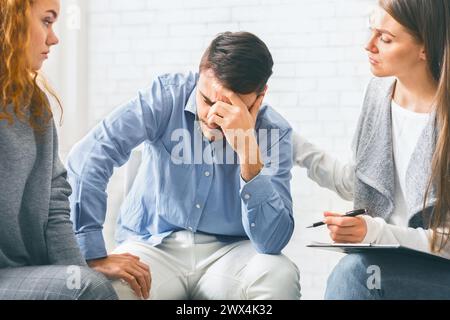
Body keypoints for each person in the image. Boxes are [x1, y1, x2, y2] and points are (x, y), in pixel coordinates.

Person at [67, 32, 301, 300]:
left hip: (232, 253)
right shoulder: (167, 96)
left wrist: (248, 152)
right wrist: (91, 252)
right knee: (110, 288)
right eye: (207, 100)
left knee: (279, 274)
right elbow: (88, 155)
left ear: (259, 98)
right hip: (153, 246)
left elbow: (271, 243)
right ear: (200, 75)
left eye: (232, 109)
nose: (213, 119)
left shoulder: (274, 132)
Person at [294, 0, 450, 299]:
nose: (369, 45)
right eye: (371, 31)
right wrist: (291, 145)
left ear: (425, 48)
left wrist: (374, 232)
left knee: (354, 273)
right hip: (394, 265)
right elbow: (361, 181)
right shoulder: (378, 95)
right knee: (357, 271)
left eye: (386, 38)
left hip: (440, 272)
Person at [0, 0, 117, 300]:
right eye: (47, 21)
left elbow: (55, 201)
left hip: (21, 270)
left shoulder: (34, 105)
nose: (54, 38)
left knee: (91, 286)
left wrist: (78, 272)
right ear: (11, 18)